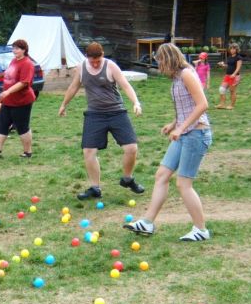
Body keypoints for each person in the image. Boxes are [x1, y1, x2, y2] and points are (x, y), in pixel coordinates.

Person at [124, 43, 212, 241]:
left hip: (196, 134)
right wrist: (174, 124)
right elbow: (186, 106)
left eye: (160, 61)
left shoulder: (187, 75)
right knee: (161, 175)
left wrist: (181, 128)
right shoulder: (177, 78)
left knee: (183, 184)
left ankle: (201, 230)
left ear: (169, 58)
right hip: (184, 133)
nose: (160, 66)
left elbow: (202, 105)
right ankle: (147, 223)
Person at [58, 42, 145, 200]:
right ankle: (95, 188)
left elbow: (125, 85)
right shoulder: (82, 68)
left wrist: (136, 102)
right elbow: (73, 87)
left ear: (103, 55)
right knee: (88, 151)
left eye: (98, 60)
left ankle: (127, 179)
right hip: (94, 114)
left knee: (131, 148)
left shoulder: (111, 66)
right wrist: (64, 105)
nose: (96, 64)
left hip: (117, 112)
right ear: (87, 57)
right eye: (93, 61)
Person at [0, 39, 35, 158]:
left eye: (17, 48)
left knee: (22, 126)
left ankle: (28, 152)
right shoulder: (14, 61)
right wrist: (3, 77)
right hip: (8, 101)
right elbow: (11, 76)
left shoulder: (27, 63)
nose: (14, 51)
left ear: (24, 50)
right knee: (3, 124)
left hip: (21, 101)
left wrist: (8, 91)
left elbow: (24, 82)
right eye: (13, 48)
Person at [216, 43, 242, 110]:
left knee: (232, 91)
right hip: (227, 75)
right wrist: (222, 65)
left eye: (234, 49)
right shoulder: (229, 57)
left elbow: (238, 67)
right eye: (231, 48)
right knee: (221, 89)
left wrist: (234, 74)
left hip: (234, 76)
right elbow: (228, 66)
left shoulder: (238, 57)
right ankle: (222, 104)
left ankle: (231, 105)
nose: (232, 50)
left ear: (236, 49)